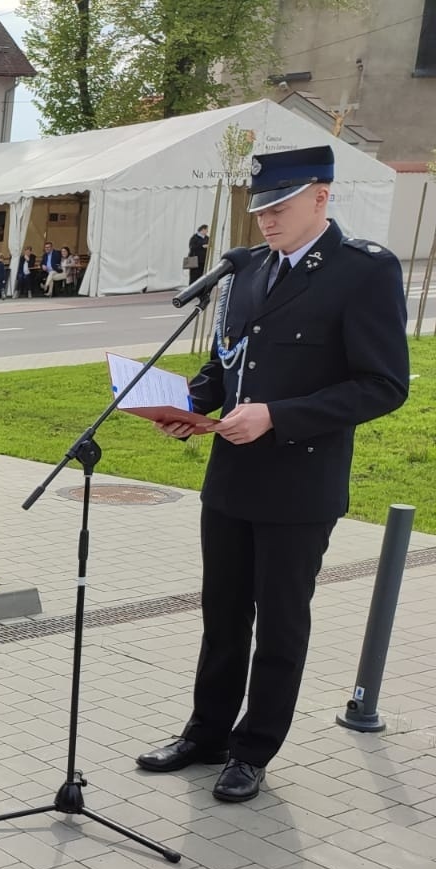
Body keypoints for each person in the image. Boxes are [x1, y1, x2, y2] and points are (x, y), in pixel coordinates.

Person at [138, 145, 408, 802]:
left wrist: (278, 417)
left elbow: (382, 385)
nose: (264, 219)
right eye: (258, 207)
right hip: (231, 478)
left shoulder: (361, 272)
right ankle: (206, 734)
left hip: (300, 482)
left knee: (281, 624)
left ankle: (253, 749)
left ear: (322, 197)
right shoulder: (245, 269)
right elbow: (226, 365)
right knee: (222, 615)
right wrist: (190, 405)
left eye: (279, 206)